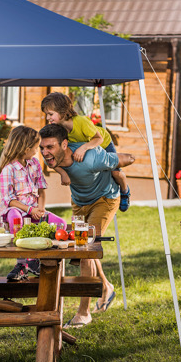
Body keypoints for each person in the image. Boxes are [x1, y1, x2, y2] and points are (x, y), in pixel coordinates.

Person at [39, 123, 121, 327]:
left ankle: (83, 313)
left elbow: (122, 160)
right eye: (42, 148)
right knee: (81, 246)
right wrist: (62, 173)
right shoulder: (52, 159)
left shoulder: (90, 157)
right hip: (80, 201)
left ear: (64, 144)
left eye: (50, 147)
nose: (45, 152)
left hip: (105, 199)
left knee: (85, 248)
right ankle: (105, 286)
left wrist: (124, 186)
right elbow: (54, 163)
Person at [0, 125, 66, 281]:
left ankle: (42, 259)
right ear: (25, 148)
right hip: (16, 209)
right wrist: (29, 209)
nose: (38, 150)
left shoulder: (34, 164)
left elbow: (41, 190)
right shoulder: (8, 169)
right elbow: (9, 200)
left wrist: (40, 209)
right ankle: (24, 263)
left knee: (60, 224)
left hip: (33, 210)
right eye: (35, 147)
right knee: (15, 218)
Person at [41, 92, 134, 211]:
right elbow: (54, 158)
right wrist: (63, 173)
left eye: (50, 114)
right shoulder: (58, 130)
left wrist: (83, 148)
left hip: (103, 143)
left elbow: (98, 138)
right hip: (88, 152)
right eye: (46, 114)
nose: (47, 118)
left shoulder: (81, 122)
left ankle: (125, 191)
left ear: (63, 111)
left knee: (115, 173)